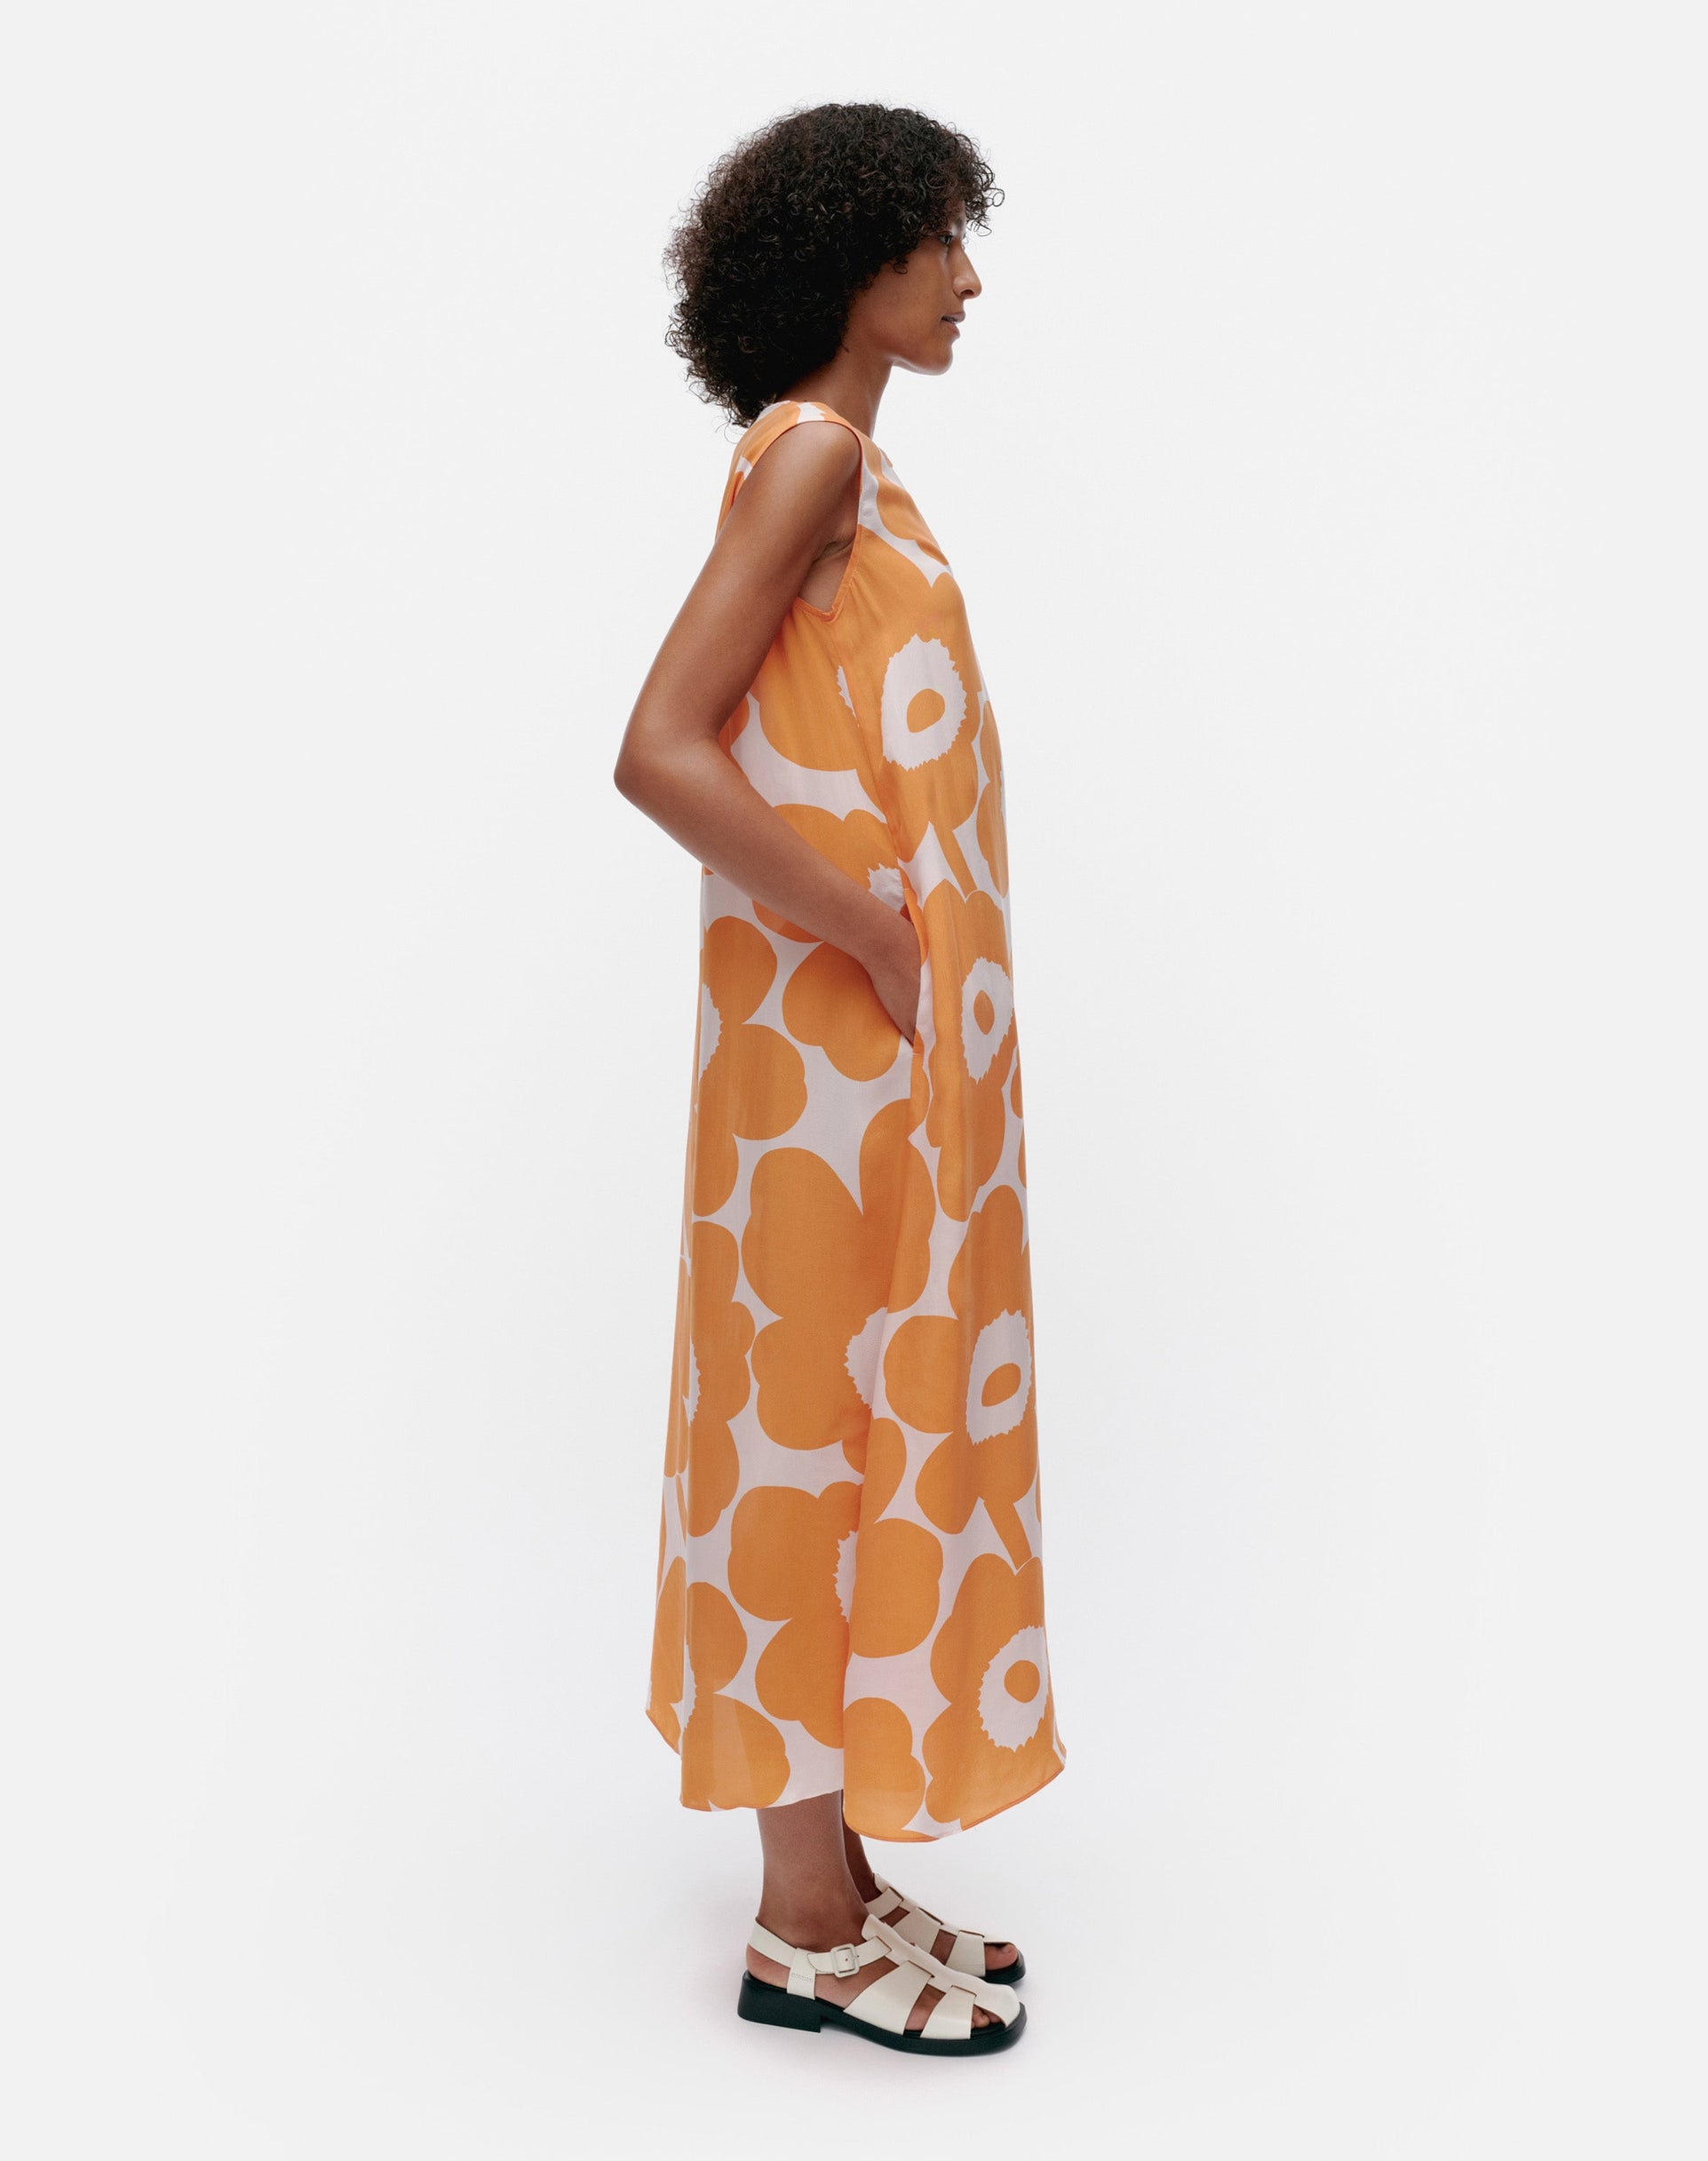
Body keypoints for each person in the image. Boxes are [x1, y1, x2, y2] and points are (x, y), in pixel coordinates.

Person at [615, 102, 1061, 2056]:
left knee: (845, 1415)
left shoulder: (843, 463)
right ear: (850, 255)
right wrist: (876, 935)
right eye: (937, 237)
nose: (967, 277)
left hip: (868, 1066)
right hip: (830, 1057)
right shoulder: (809, 453)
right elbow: (659, 745)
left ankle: (839, 1866)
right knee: (805, 1422)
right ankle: (800, 1922)